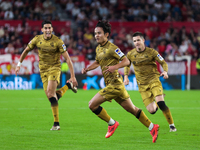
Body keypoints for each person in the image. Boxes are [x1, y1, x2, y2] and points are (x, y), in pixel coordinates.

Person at [82, 20, 159, 143]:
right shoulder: (98, 49)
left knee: (92, 104)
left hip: (115, 85)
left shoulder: (112, 48)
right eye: (95, 33)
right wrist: (87, 69)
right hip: (115, 85)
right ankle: (152, 127)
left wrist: (115, 67)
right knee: (132, 109)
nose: (96, 35)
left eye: (99, 33)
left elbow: (126, 61)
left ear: (106, 34)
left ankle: (112, 123)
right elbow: (97, 62)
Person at [15, 20, 78, 130]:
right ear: (42, 29)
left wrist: (73, 76)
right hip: (43, 70)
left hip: (54, 68)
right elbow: (25, 51)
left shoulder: (58, 41)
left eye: (49, 28)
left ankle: (56, 124)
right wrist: (19, 64)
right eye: (46, 28)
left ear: (52, 29)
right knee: (51, 96)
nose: (48, 30)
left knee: (50, 92)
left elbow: (68, 59)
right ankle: (68, 86)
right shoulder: (37, 39)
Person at [124, 31, 177, 132]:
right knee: (151, 111)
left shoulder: (152, 52)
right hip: (142, 85)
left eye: (138, 40)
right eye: (134, 41)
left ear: (143, 40)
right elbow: (127, 65)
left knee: (161, 103)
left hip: (154, 80)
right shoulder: (130, 54)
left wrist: (165, 72)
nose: (136, 42)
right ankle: (156, 103)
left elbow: (163, 62)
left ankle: (172, 126)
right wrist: (126, 77)